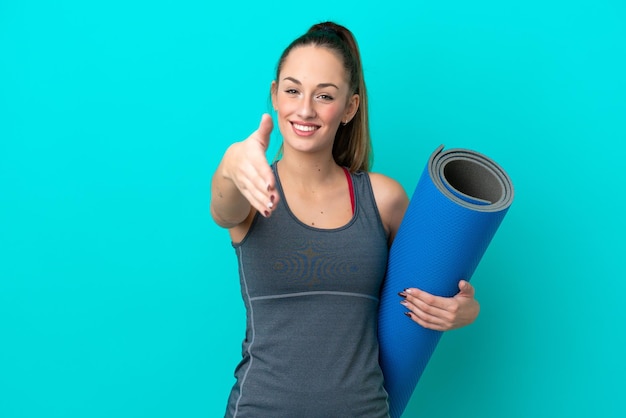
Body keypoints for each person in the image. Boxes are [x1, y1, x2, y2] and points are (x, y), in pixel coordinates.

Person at [210, 21, 480, 418]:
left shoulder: (384, 198)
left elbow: (430, 288)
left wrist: (466, 310)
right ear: (275, 96)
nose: (305, 109)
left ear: (350, 107)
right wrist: (233, 163)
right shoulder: (248, 189)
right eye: (292, 90)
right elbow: (221, 209)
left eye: (324, 96)